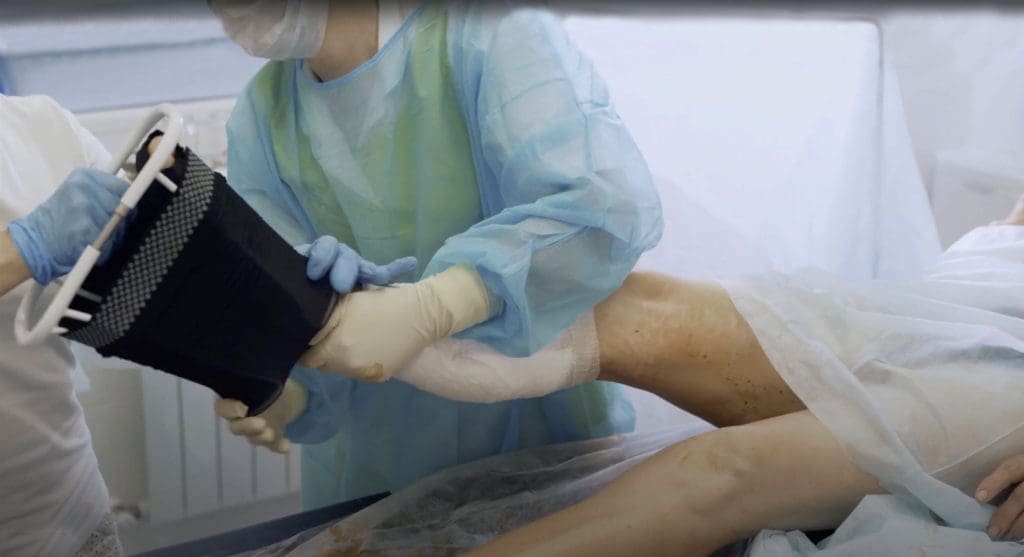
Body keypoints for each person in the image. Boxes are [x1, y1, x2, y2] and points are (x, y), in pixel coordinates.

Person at [209, 0, 662, 509]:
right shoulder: (261, 117)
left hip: (544, 446)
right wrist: (290, 392)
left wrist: (446, 302)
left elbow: (601, 207)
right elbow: (293, 306)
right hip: (374, 471)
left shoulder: (486, 32)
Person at [0, 93, 130, 556]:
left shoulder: (44, 126)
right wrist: (21, 250)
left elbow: (166, 259)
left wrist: (288, 278)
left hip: (67, 510)